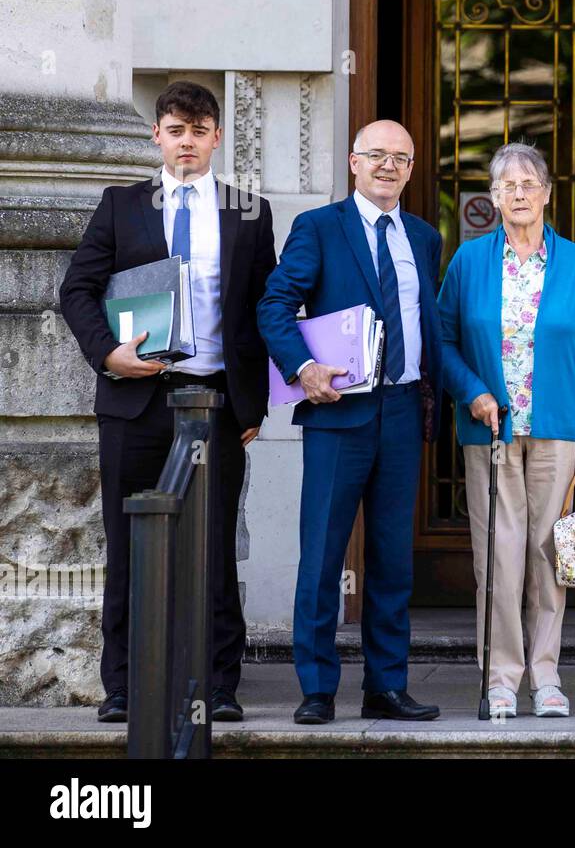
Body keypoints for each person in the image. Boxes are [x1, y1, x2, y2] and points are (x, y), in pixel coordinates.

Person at [60, 80, 275, 723]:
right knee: (128, 543)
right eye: (175, 130)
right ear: (158, 135)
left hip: (213, 401)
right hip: (134, 398)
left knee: (212, 548)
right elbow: (78, 289)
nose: (187, 142)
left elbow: (266, 309)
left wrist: (254, 406)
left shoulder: (248, 210)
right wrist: (107, 354)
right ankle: (124, 684)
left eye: (199, 130)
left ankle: (219, 685)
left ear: (216, 137)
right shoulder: (121, 205)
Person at [258, 119, 444, 724]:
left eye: (400, 158)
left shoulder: (423, 236)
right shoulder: (318, 227)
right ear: (354, 164)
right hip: (339, 414)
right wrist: (303, 368)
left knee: (393, 559)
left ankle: (386, 687)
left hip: (401, 411)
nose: (388, 166)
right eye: (376, 156)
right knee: (323, 556)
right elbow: (275, 304)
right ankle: (316, 688)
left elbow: (428, 321)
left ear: (412, 170)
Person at [438, 142, 575, 718]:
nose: (518, 193)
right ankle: (501, 678)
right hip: (490, 429)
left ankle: (546, 675)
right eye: (507, 184)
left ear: (547, 194)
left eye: (529, 183)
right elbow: (443, 341)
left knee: (547, 554)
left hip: (559, 429)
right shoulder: (468, 262)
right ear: (492, 196)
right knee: (498, 555)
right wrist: (473, 392)